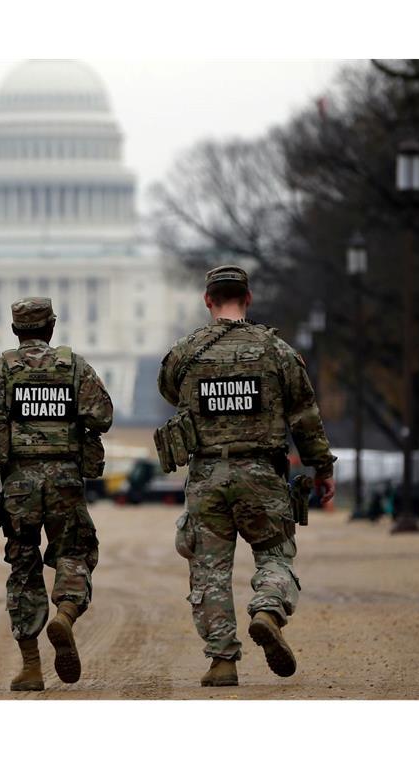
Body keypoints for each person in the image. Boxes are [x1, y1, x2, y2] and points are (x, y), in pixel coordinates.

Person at [157, 265, 335, 687]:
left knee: (209, 571)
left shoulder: (185, 353)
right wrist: (322, 467)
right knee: (275, 555)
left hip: (207, 475)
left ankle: (222, 661)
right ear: (248, 298)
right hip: (262, 472)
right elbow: (305, 416)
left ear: (208, 300)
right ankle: (267, 610)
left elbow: (169, 392)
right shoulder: (277, 351)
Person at [0, 297, 113, 691]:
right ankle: (65, 613)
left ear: (15, 330)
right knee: (74, 553)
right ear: (51, 327)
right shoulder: (74, 366)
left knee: (23, 568)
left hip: (19, 486)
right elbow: (103, 416)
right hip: (65, 480)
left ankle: (30, 667)